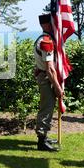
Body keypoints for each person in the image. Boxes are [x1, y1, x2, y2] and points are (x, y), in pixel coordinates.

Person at [33, 14, 63, 152]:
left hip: (43, 75)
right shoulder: (46, 41)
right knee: (46, 107)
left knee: (47, 107)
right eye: (52, 23)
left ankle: (44, 136)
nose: (54, 25)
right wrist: (57, 87)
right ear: (46, 25)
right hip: (47, 78)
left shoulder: (41, 39)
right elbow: (50, 68)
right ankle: (42, 141)